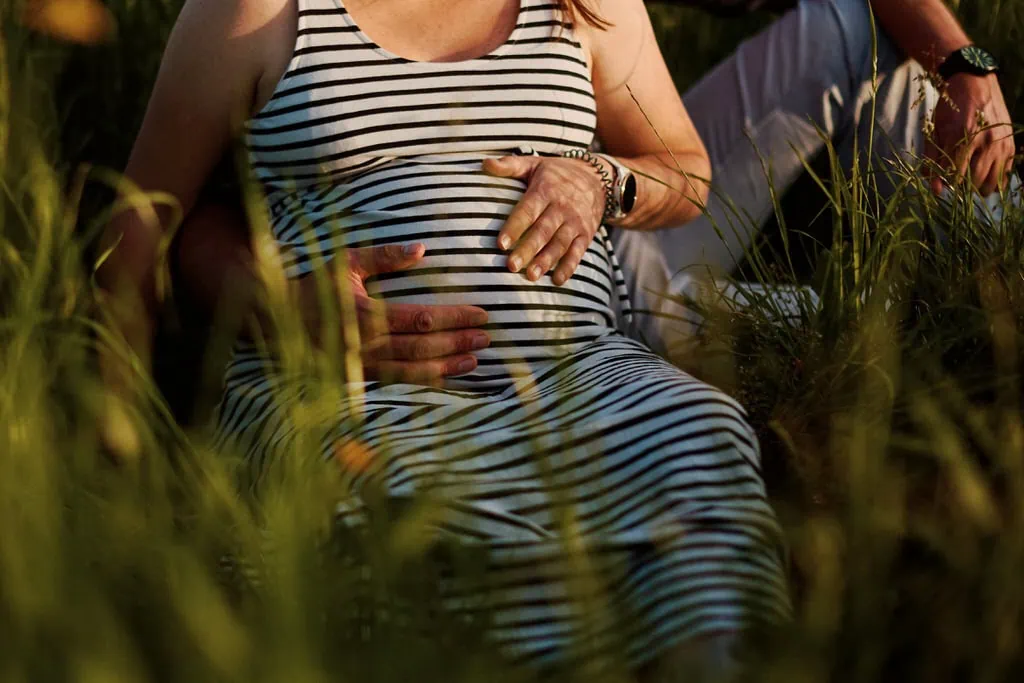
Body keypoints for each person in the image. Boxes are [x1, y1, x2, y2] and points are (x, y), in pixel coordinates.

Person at [97, 0, 790, 677]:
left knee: (699, 427)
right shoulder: (258, 12)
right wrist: (271, 316)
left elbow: (684, 167)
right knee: (395, 513)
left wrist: (599, 179)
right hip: (352, 394)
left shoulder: (587, 6)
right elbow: (139, 223)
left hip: (582, 374)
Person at [614, 0, 1019, 352]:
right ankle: (889, 333)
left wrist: (966, 68)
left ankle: (994, 262)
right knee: (646, 308)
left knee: (851, 26)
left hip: (634, 178)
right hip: (584, 252)